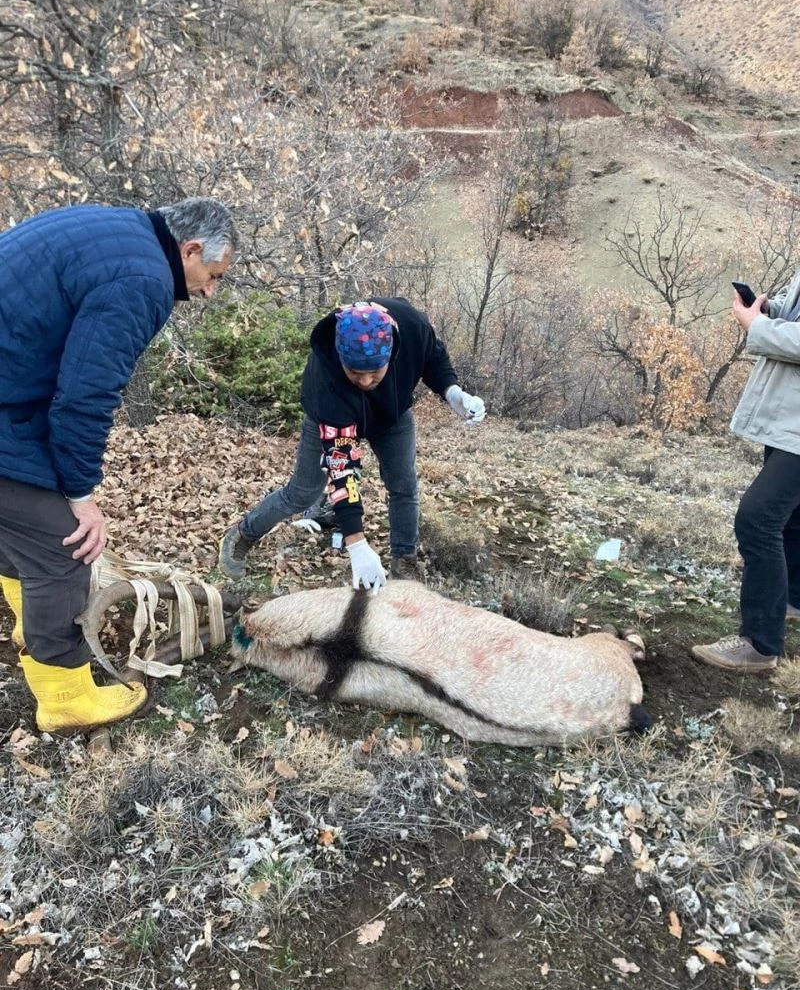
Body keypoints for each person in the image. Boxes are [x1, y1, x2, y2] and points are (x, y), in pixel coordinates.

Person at [0, 197, 237, 731]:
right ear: (191, 249)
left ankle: (30, 626)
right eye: (212, 276)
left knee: (18, 522)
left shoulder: (116, 227)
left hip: (9, 397)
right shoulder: (143, 279)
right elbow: (86, 395)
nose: (207, 291)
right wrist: (80, 494)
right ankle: (64, 697)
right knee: (64, 547)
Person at [218, 298, 485, 590]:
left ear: (391, 353)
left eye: (375, 372)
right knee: (302, 493)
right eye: (357, 374)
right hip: (332, 416)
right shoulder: (327, 376)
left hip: (391, 415)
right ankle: (244, 534)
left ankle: (404, 561)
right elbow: (342, 467)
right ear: (342, 358)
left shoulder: (411, 327)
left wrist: (452, 392)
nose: (367, 381)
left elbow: (432, 358)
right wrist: (357, 545)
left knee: (404, 485)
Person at [693, 270, 800, 673]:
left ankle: (759, 644)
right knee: (791, 517)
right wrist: (771, 310)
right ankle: (792, 599)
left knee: (758, 519)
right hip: (791, 416)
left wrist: (758, 325)